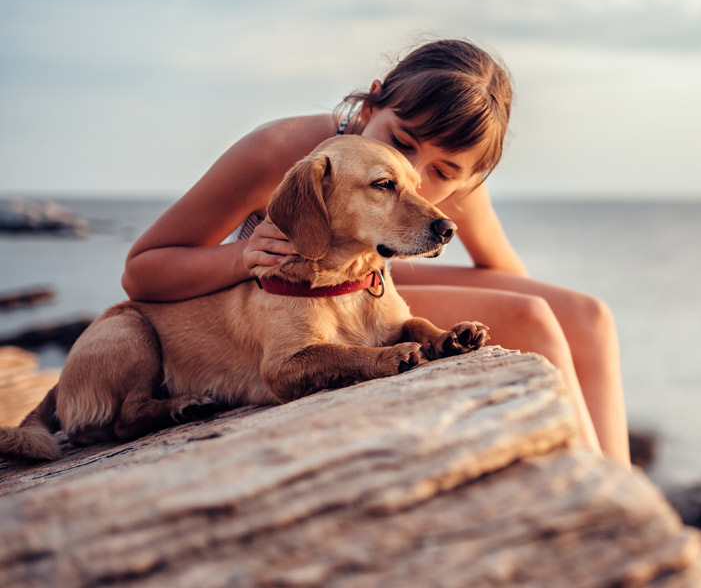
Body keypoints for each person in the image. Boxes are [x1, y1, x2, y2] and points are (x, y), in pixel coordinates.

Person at [121, 38, 630, 468]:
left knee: (588, 316)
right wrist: (242, 257)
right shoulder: (281, 151)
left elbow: (503, 273)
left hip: (376, 287)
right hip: (291, 299)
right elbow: (142, 273)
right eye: (402, 142)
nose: (416, 173)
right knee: (535, 316)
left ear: (469, 174)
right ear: (369, 107)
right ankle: (609, 515)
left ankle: (624, 490)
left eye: (446, 173)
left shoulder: (441, 182)